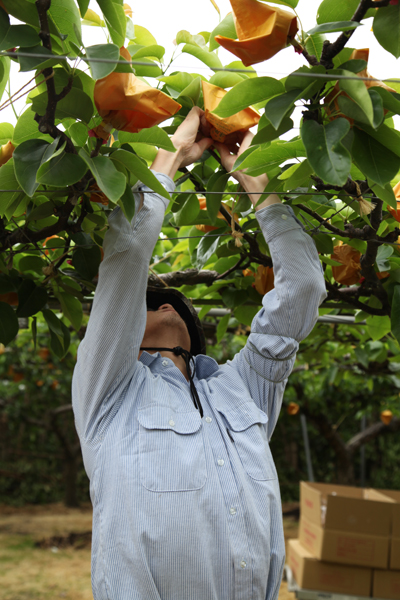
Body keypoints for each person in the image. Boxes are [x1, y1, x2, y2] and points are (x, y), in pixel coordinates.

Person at [72, 107, 326, 600]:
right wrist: (168, 162)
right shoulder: (110, 390)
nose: (163, 301)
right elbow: (124, 264)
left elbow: (303, 288)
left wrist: (264, 195)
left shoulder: (241, 388)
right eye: (148, 303)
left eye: (172, 301)